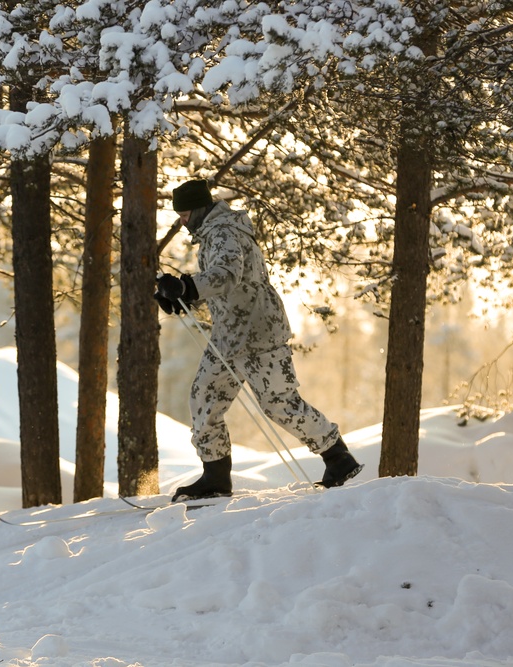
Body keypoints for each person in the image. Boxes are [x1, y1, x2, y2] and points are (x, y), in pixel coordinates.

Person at [155, 179, 363, 500]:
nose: (182, 221)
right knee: (204, 399)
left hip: (258, 331)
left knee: (279, 402)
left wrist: (187, 287)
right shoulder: (213, 233)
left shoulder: (225, 232)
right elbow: (227, 285)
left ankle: (338, 458)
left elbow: (227, 274)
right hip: (229, 335)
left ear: (198, 209)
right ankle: (215, 478)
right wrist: (183, 296)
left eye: (184, 214)